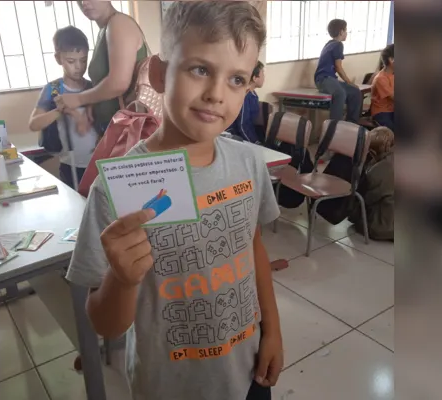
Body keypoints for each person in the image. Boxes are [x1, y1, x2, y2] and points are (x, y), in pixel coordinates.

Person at [66, 2, 282, 400]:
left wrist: (273, 330)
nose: (216, 95)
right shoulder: (116, 189)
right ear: (160, 74)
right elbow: (104, 324)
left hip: (249, 368)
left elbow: (253, 248)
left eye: (236, 79)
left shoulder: (249, 163)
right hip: (168, 386)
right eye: (200, 69)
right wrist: (122, 278)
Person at [57, 0, 148, 134]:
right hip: (115, 125)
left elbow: (119, 83)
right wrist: (94, 102)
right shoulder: (105, 29)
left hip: (128, 128)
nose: (84, 3)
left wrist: (79, 98)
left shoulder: (119, 23)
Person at [28, 26, 98, 189]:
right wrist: (60, 111)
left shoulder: (93, 87)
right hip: (70, 165)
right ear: (58, 59)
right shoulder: (53, 89)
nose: (78, 67)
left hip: (97, 161)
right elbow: (34, 124)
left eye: (83, 60)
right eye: (71, 61)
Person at [349, 126, 394, 241]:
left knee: (355, 209)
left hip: (385, 227)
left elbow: (366, 199)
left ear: (372, 151)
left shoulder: (379, 171)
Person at [314, 19, 362, 123]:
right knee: (340, 94)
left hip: (330, 79)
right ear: (341, 32)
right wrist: (349, 82)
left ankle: (351, 124)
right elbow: (338, 67)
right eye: (346, 30)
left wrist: (350, 85)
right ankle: (334, 127)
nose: (346, 33)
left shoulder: (330, 44)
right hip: (324, 80)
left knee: (355, 92)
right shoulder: (338, 45)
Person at [227, 61, 265, 143]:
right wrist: (255, 142)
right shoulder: (246, 96)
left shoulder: (253, 94)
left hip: (243, 135)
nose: (264, 77)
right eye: (263, 74)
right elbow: (243, 124)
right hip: (232, 136)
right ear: (255, 78)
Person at [371, 44, 395, 131]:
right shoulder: (381, 78)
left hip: (393, 110)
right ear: (391, 60)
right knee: (392, 132)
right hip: (382, 112)